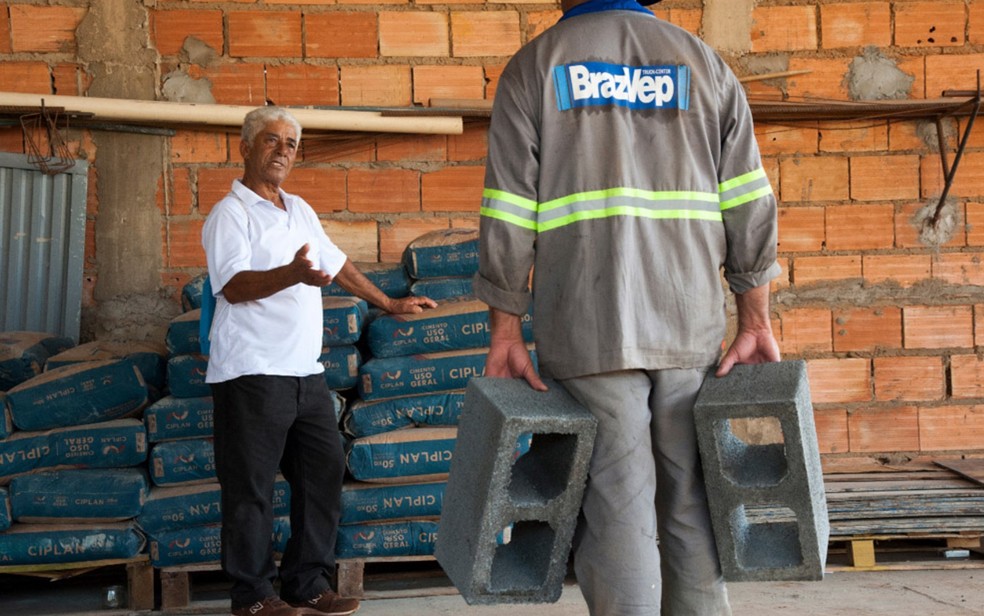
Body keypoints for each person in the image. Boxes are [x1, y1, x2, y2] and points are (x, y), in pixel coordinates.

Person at [473, 1, 781, 615]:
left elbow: (508, 212)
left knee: (617, 505)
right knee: (692, 498)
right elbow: (749, 202)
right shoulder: (704, 64)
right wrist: (754, 318)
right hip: (688, 322)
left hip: (587, 325)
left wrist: (505, 328)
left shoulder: (536, 66)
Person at [202, 106, 436, 616]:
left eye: (290, 143)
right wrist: (291, 274)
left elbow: (337, 263)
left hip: (304, 373)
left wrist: (390, 302)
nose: (282, 150)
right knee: (250, 490)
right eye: (271, 140)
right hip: (251, 371)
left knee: (322, 474)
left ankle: (306, 583)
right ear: (245, 148)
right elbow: (233, 286)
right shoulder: (230, 214)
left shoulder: (299, 209)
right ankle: (253, 597)